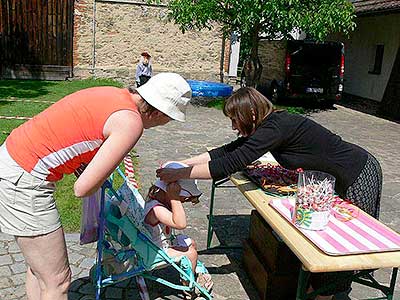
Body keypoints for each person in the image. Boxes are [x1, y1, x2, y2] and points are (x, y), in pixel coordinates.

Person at [156, 87, 383, 300]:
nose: (234, 126)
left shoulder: (276, 126)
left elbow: (230, 164)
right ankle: (320, 285)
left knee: (345, 243)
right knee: (329, 234)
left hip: (358, 172)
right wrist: (180, 165)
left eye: (235, 119)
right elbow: (228, 151)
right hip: (337, 176)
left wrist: (179, 174)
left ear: (252, 113)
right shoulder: (269, 125)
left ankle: (325, 292)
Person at [0, 72, 191, 300]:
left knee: (39, 267)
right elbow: (82, 189)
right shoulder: (131, 123)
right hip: (25, 181)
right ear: (160, 112)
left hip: (12, 159)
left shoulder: (113, 94)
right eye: (169, 119)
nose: (164, 124)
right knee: (57, 280)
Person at [144, 161, 213, 298]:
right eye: (183, 198)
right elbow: (180, 223)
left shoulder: (160, 200)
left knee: (191, 242)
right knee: (191, 254)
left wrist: (174, 198)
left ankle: (191, 272)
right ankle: (189, 286)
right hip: (154, 250)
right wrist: (174, 198)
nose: (183, 201)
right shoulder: (156, 209)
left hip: (162, 242)